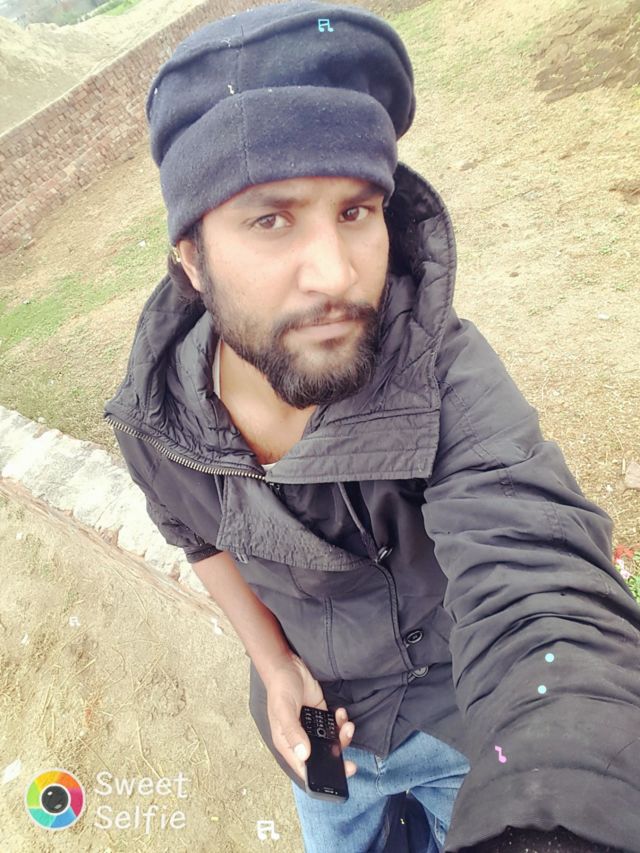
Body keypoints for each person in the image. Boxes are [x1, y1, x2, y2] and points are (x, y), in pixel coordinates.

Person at [104, 2, 640, 851]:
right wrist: (273, 664)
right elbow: (193, 534)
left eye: (356, 211)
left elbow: (541, 586)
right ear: (192, 259)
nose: (336, 273)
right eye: (271, 218)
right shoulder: (154, 416)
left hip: (465, 734)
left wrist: (566, 805)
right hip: (319, 744)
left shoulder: (446, 376)